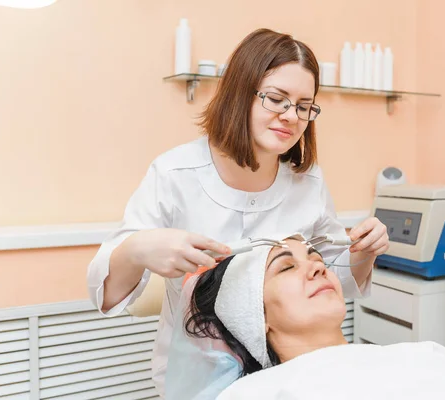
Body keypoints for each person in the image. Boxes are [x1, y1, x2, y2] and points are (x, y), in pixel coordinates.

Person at [86, 28, 390, 397]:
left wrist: (362, 255)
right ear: (239, 95)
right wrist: (139, 248)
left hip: (290, 372)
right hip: (199, 375)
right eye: (276, 99)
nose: (290, 116)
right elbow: (106, 295)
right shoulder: (175, 175)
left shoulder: (308, 183)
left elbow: (332, 283)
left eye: (303, 106)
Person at [173, 235, 445, 399]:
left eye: (317, 259)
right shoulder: (253, 394)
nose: (318, 268)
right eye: (287, 267)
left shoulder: (426, 355)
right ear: (253, 316)